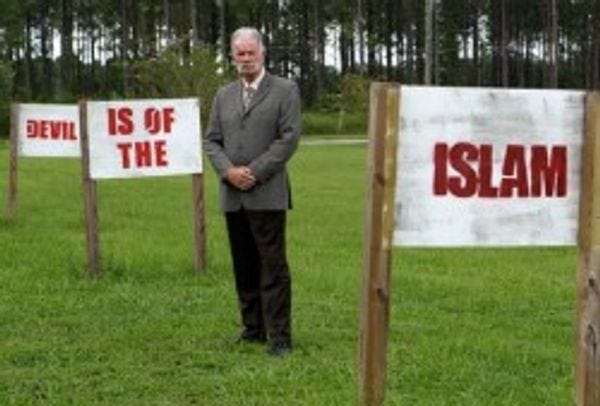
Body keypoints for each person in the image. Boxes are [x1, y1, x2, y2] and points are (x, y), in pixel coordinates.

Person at [204, 27, 301, 356]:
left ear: (262, 53)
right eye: (240, 54)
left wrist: (255, 172)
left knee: (273, 267)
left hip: (267, 194)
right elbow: (211, 140)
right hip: (233, 195)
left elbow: (289, 138)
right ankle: (253, 329)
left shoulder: (285, 90)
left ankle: (280, 336)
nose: (246, 59)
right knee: (244, 265)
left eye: (251, 53)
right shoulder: (223, 95)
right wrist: (228, 172)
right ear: (233, 58)